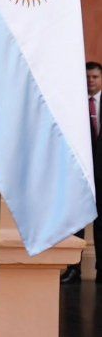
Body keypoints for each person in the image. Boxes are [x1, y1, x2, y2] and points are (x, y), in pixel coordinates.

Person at [63, 61, 102, 284]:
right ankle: (73, 269)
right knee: (76, 222)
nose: (90, 81)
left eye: (94, 77)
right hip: (79, 174)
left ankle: (101, 270)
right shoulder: (74, 105)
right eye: (87, 77)